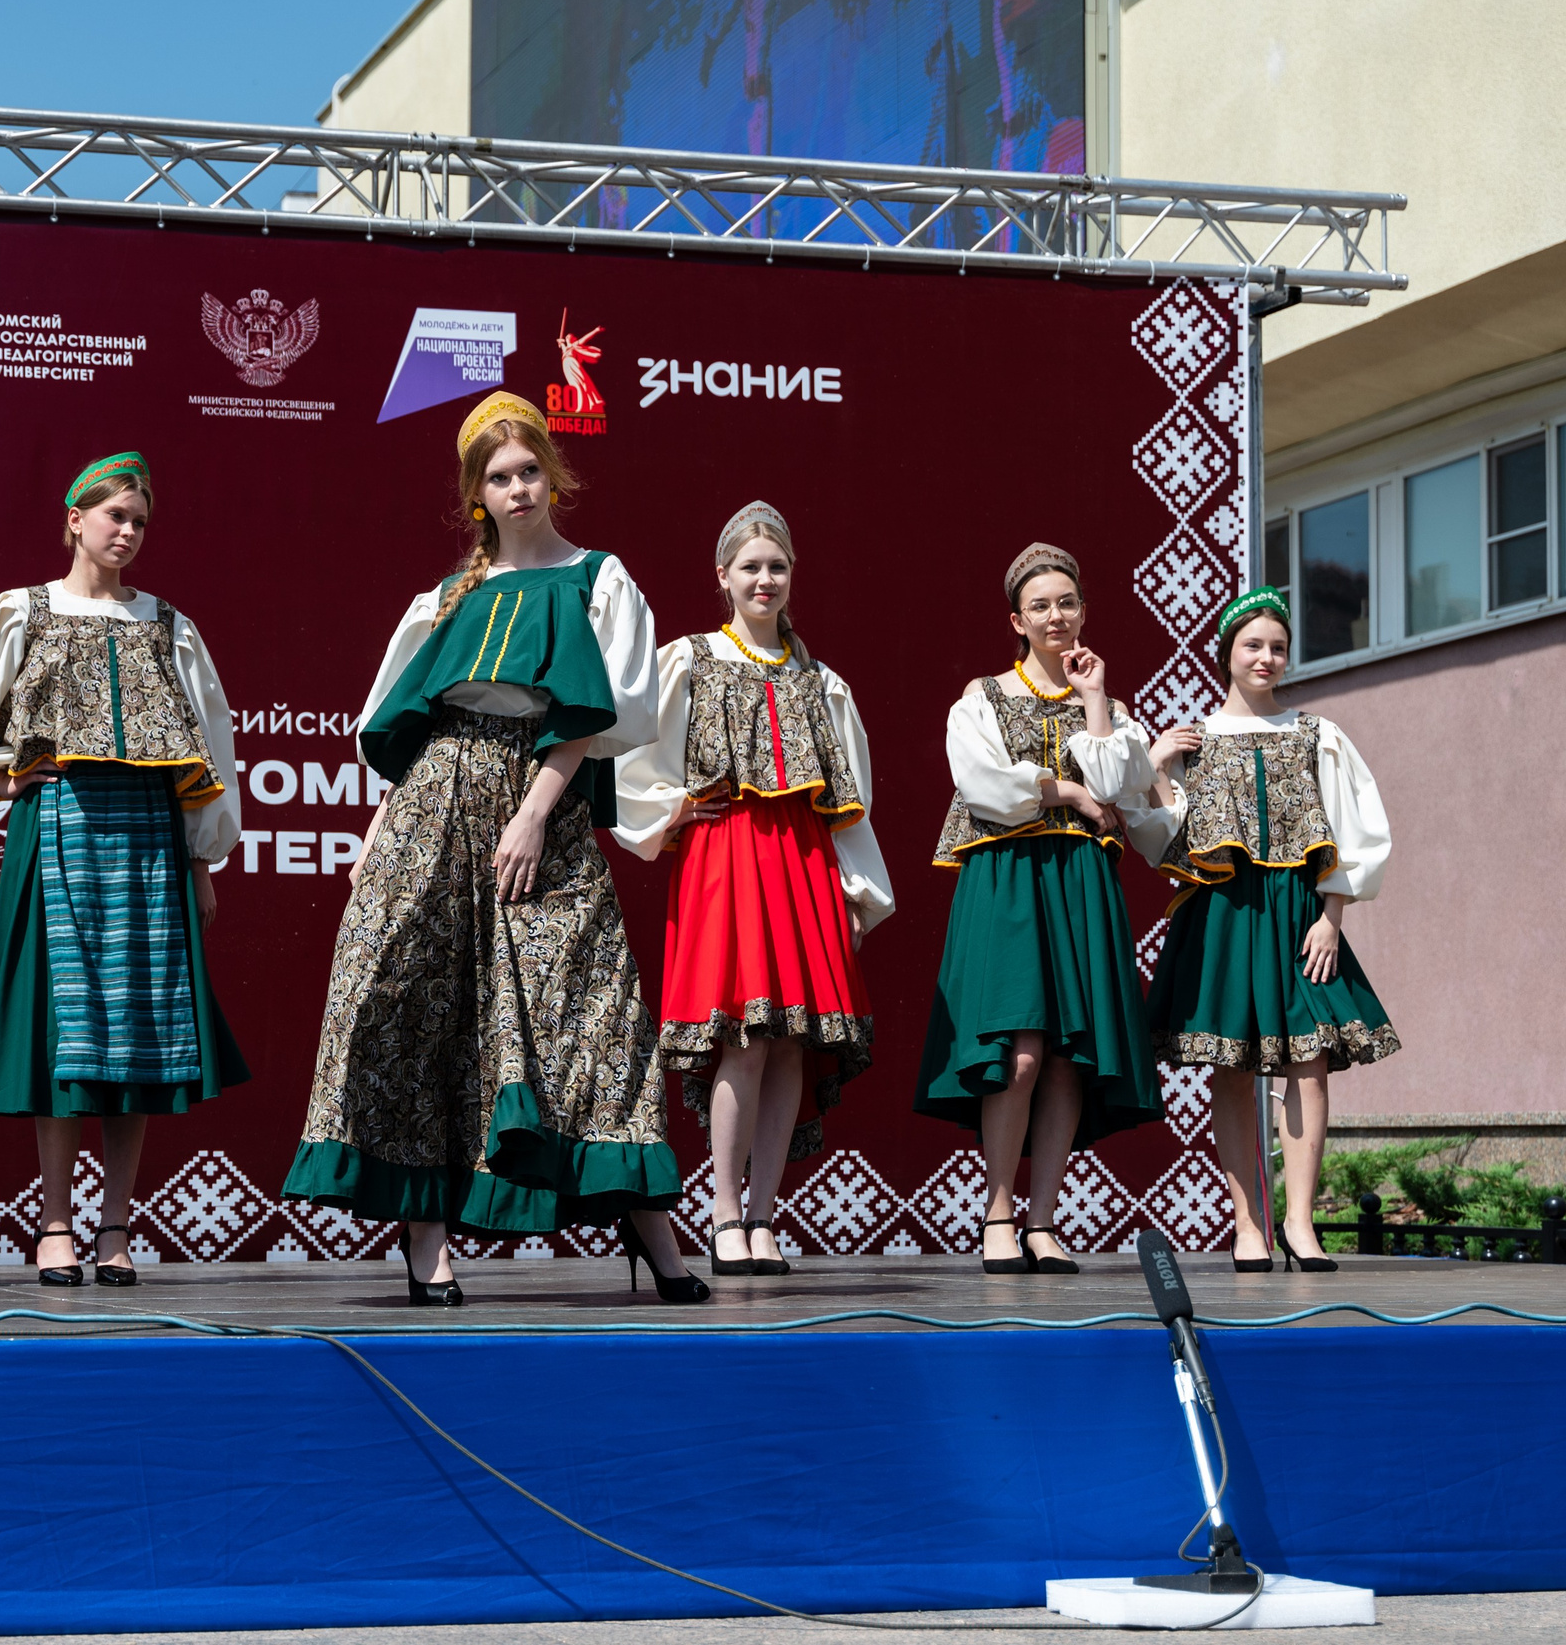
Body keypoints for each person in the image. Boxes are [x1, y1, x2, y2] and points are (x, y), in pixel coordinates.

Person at [284, 391, 695, 1306]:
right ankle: (425, 1237)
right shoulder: (447, 598)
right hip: (435, 798)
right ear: (477, 493)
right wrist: (382, 825)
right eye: (499, 477)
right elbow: (414, 727)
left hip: (542, 795)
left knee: (589, 1008)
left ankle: (648, 1223)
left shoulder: (596, 579)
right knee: (405, 994)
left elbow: (600, 714)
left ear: (554, 475)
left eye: (529, 471)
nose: (518, 489)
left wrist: (536, 810)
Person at [0, 452, 247, 1289]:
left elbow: (210, 743)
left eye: (138, 520)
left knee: (140, 1033)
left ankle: (116, 1223)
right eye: (113, 515)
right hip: (59, 823)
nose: (126, 531)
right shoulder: (22, 611)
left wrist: (202, 857)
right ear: (74, 519)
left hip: (151, 838)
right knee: (68, 1033)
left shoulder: (167, 625)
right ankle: (55, 1221)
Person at [614, 502, 892, 1277]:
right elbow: (630, 751)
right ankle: (725, 1212)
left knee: (791, 1038)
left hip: (802, 863)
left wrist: (856, 892)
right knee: (744, 1033)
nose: (764, 579)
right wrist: (671, 807)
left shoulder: (820, 681)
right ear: (723, 576)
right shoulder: (691, 659)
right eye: (750, 567)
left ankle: (765, 1213)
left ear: (792, 574)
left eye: (776, 566)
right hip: (726, 859)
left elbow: (850, 800)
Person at [914, 543, 1160, 1276]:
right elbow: (985, 786)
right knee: (1018, 1053)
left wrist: (1094, 699)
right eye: (1041, 606)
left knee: (1065, 1059)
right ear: (1016, 621)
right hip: (1010, 878)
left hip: (1080, 883)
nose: (1057, 616)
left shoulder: (1108, 709)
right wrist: (1068, 791)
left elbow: (1120, 786)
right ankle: (998, 1212)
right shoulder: (983, 696)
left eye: (1067, 603)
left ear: (1084, 611)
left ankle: (1043, 1220)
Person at [1138, 588, 1395, 1272]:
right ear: (1226, 652)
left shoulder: (1319, 735)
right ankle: (1248, 1224)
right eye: (1253, 644)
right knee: (1230, 1066)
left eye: (1278, 647)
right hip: (1221, 917)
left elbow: (1354, 831)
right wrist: (1155, 768)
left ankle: (1300, 1223)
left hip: (1297, 915)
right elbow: (1168, 844)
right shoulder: (1195, 740)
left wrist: (1331, 917)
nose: (1266, 657)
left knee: (1310, 1064)